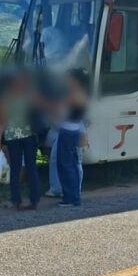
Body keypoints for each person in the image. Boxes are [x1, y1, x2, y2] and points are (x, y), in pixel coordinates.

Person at [0, 72, 40, 210]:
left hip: (13, 137)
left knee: (15, 168)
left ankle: (16, 200)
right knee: (31, 167)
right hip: (29, 135)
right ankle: (34, 200)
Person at [56, 71, 88, 207]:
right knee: (72, 163)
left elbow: (61, 108)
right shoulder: (81, 93)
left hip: (68, 130)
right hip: (73, 130)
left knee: (65, 164)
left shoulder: (74, 94)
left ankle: (70, 197)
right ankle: (74, 195)